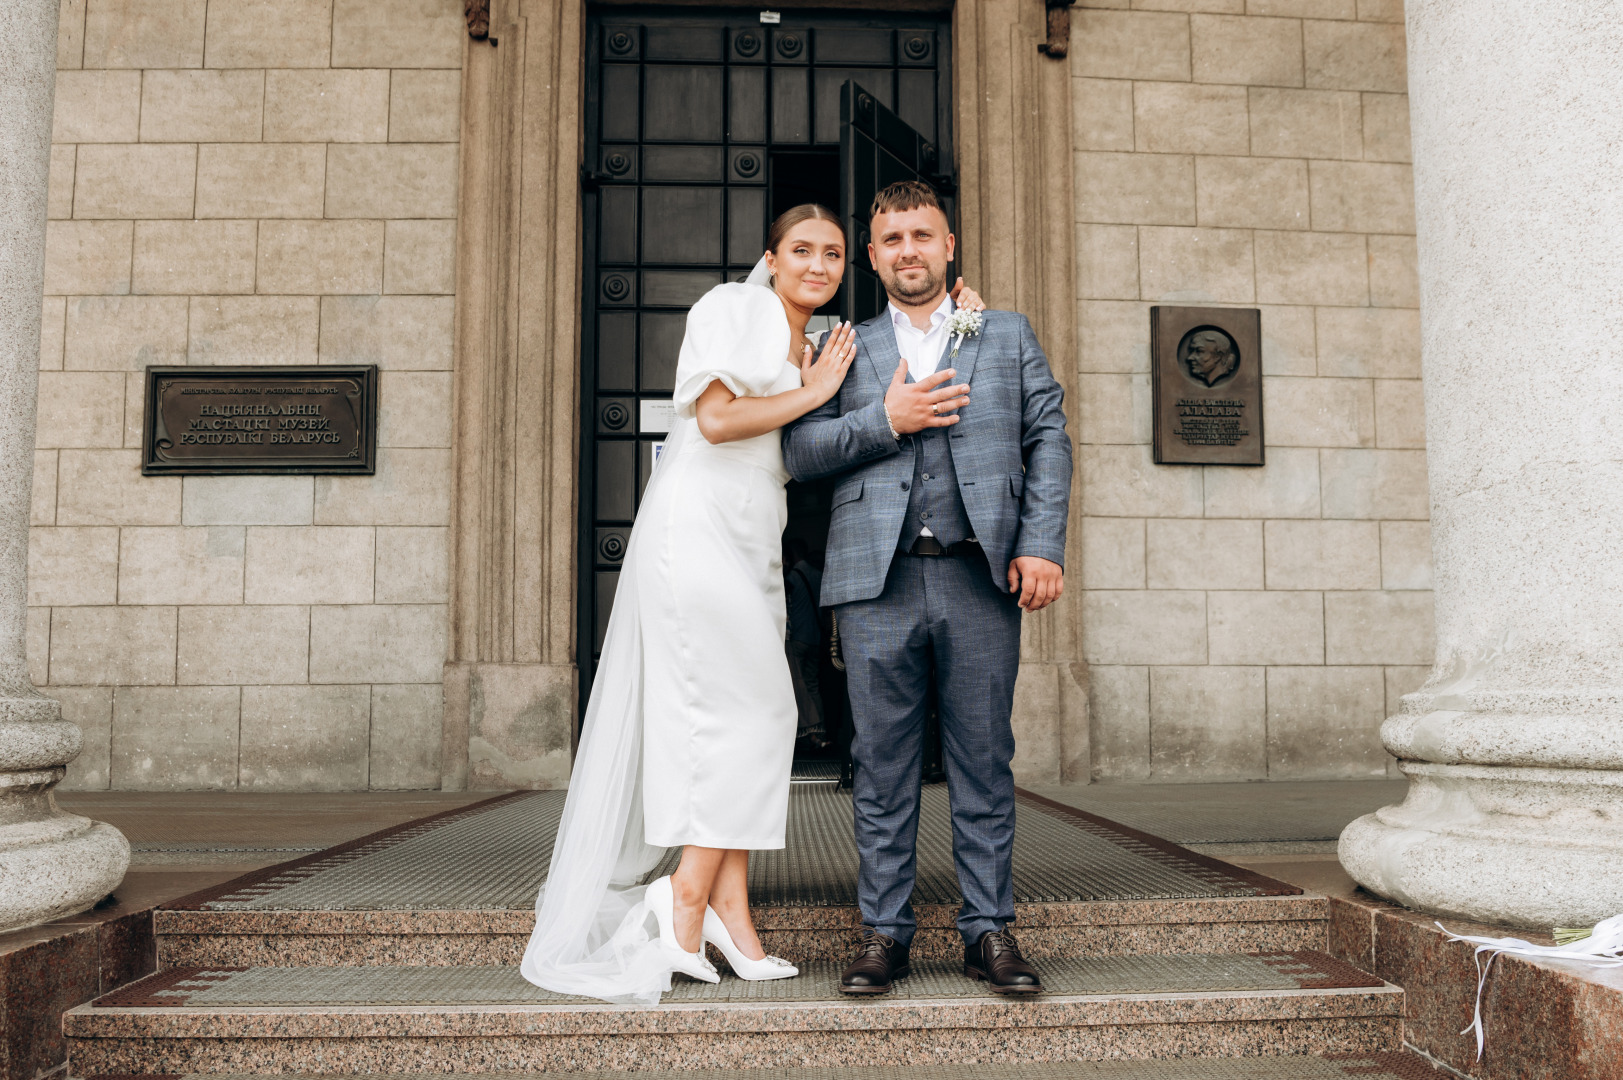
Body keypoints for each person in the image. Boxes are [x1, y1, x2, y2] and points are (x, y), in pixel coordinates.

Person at [520, 202, 986, 1005]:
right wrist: (815, 393)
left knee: (750, 715)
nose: (817, 264)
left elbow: (881, 362)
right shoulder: (729, 308)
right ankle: (684, 897)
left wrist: (963, 322)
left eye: (833, 253)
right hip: (697, 527)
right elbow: (718, 418)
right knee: (753, 712)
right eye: (800, 250)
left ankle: (733, 918)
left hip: (749, 534)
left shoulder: (812, 340)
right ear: (769, 258)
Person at [782, 180, 1072, 997]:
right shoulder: (844, 344)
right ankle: (884, 934)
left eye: (922, 235)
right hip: (876, 584)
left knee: (983, 759)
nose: (907, 250)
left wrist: (1041, 544)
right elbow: (801, 452)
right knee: (880, 763)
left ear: (948, 247)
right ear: (872, 259)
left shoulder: (1003, 333)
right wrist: (888, 418)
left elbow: (1048, 439)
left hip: (979, 577)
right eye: (892, 240)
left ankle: (989, 933)